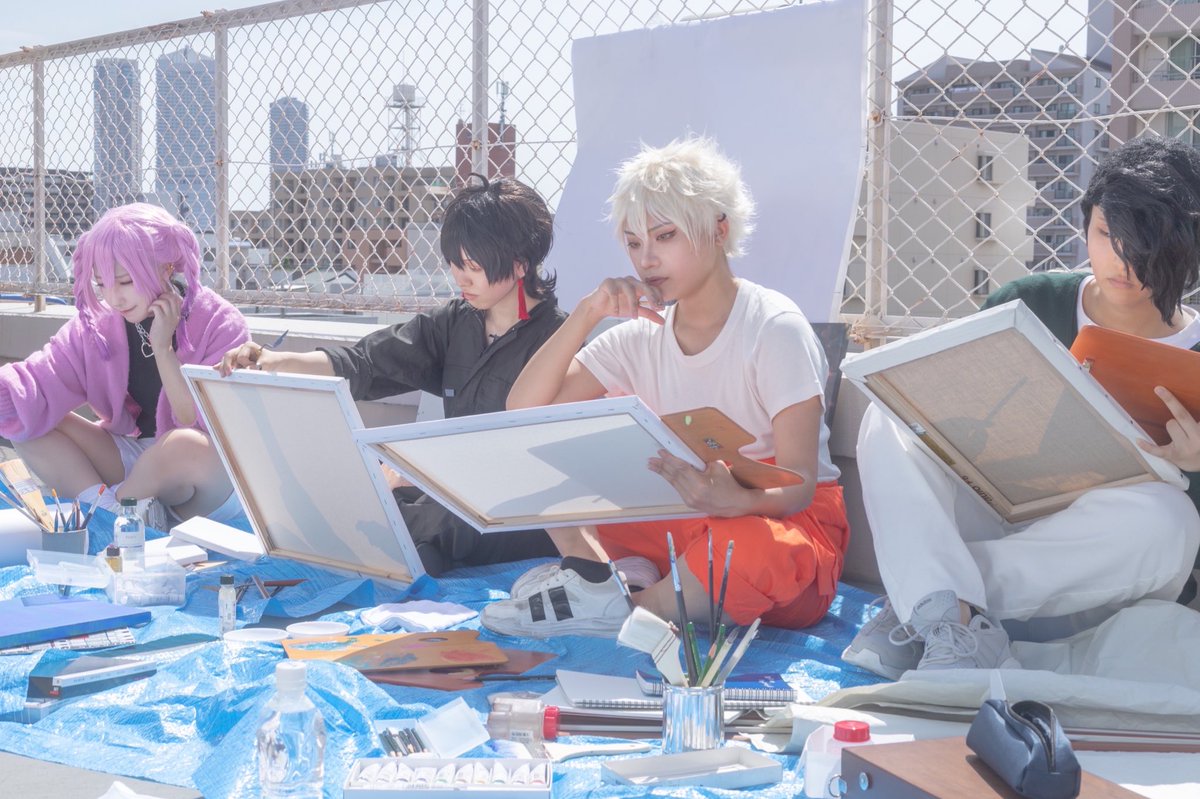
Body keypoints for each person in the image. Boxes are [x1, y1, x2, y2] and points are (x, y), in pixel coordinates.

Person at [843, 135, 1200, 679]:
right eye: (1107, 234)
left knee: (1168, 519)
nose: (1123, 260)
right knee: (891, 416)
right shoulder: (1028, 301)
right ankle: (951, 623)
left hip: (1092, 577)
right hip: (999, 513)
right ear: (1086, 223)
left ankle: (927, 606)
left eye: (1146, 244)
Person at [481, 137, 849, 638]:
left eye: (665, 236)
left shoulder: (773, 326)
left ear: (719, 229)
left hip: (778, 522)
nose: (647, 260)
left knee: (748, 549)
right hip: (679, 511)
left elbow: (800, 485)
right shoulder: (638, 335)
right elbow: (524, 413)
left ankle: (620, 609)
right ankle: (600, 579)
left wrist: (738, 502)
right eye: (634, 243)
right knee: (537, 457)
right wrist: (587, 312)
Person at [218, 176, 564, 576]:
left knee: (421, 523)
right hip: (452, 497)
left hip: (515, 511)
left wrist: (421, 470)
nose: (460, 278)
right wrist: (274, 360)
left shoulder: (558, 339)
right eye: (455, 263)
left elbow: (538, 458)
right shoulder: (456, 323)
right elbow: (365, 362)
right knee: (359, 502)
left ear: (520, 263)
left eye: (474, 266)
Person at [0, 203, 249, 524]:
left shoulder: (219, 322)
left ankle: (120, 517)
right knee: (28, 415)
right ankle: (109, 513)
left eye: (125, 281)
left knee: (179, 444)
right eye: (102, 284)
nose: (114, 298)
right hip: (132, 463)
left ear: (166, 267)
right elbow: (35, 382)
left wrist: (163, 349)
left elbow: (196, 421)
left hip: (203, 474)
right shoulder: (97, 326)